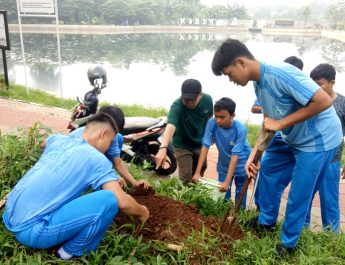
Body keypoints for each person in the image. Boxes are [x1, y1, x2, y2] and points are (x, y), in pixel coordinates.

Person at [211, 38, 342, 253]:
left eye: (229, 74)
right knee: (269, 169)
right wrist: (255, 154)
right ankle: (266, 221)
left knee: (299, 192)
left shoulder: (282, 74)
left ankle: (287, 244)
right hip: (292, 136)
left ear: (241, 62)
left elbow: (324, 101)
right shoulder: (258, 83)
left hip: (318, 140)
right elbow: (269, 121)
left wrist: (280, 123)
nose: (230, 80)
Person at [3, 113, 149, 260]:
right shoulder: (96, 159)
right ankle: (67, 253)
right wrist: (142, 211)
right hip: (32, 232)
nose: (108, 147)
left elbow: (44, 143)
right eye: (110, 142)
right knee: (109, 200)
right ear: (103, 134)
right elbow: (122, 202)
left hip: (10, 215)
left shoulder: (57, 140)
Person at [250, 56, 304, 211]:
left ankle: (269, 217)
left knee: (285, 182)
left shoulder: (298, 89)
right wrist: (272, 109)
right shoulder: (269, 85)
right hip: (272, 134)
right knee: (265, 170)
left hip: (294, 140)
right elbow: (256, 108)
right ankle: (261, 211)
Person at [304, 63, 345, 231]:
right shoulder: (309, 100)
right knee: (304, 194)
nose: (315, 87)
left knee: (330, 198)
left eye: (319, 83)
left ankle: (331, 234)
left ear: (332, 82)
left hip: (333, 159)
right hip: (311, 157)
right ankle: (302, 228)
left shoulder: (342, 103)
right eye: (313, 83)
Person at [70, 105, 150, 189]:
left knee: (119, 138)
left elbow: (118, 163)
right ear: (104, 131)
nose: (113, 137)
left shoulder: (112, 135)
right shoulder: (80, 140)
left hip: (96, 158)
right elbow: (86, 167)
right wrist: (112, 177)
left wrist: (135, 183)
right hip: (79, 165)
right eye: (113, 132)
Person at [192, 97, 251, 207]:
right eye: (216, 116)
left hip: (241, 163)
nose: (218, 120)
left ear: (232, 116)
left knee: (240, 194)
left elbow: (235, 155)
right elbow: (205, 146)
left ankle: (238, 218)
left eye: (222, 117)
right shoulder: (211, 123)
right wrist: (197, 172)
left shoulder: (240, 129)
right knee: (223, 195)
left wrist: (228, 181)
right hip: (224, 164)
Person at [155, 79, 213, 184]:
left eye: (192, 100)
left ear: (200, 95)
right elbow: (171, 126)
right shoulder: (177, 105)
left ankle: (194, 196)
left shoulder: (208, 100)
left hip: (200, 143)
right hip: (182, 145)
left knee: (199, 173)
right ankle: (182, 198)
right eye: (186, 100)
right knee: (185, 177)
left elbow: (209, 120)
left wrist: (210, 138)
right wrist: (163, 147)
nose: (189, 103)